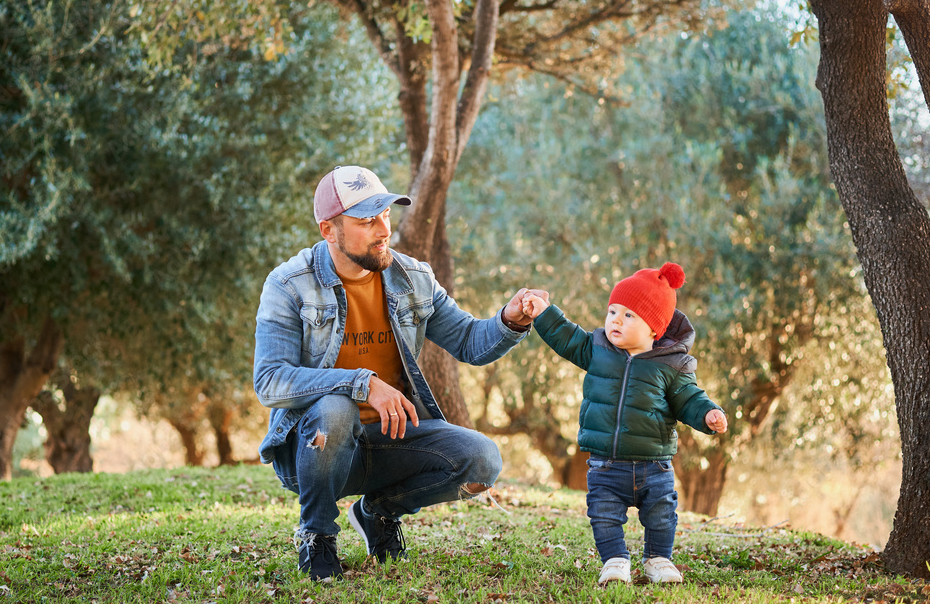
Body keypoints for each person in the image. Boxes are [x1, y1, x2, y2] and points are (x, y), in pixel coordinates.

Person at [253, 165, 547, 581]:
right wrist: (362, 383)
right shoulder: (289, 284)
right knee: (337, 408)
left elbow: (469, 342)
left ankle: (377, 513)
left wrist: (510, 319)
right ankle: (317, 535)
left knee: (482, 459)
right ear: (329, 230)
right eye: (366, 220)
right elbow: (270, 380)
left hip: (392, 442)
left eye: (386, 215)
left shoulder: (413, 278)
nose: (383, 230)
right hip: (315, 449)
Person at [521, 262, 727, 585]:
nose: (615, 320)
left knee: (661, 515)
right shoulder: (597, 348)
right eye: (613, 311)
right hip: (605, 464)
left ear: (653, 328)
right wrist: (544, 312)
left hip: (654, 466)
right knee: (603, 515)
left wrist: (707, 414)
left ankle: (658, 559)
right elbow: (566, 336)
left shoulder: (672, 364)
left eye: (628, 315)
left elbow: (688, 398)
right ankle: (615, 561)